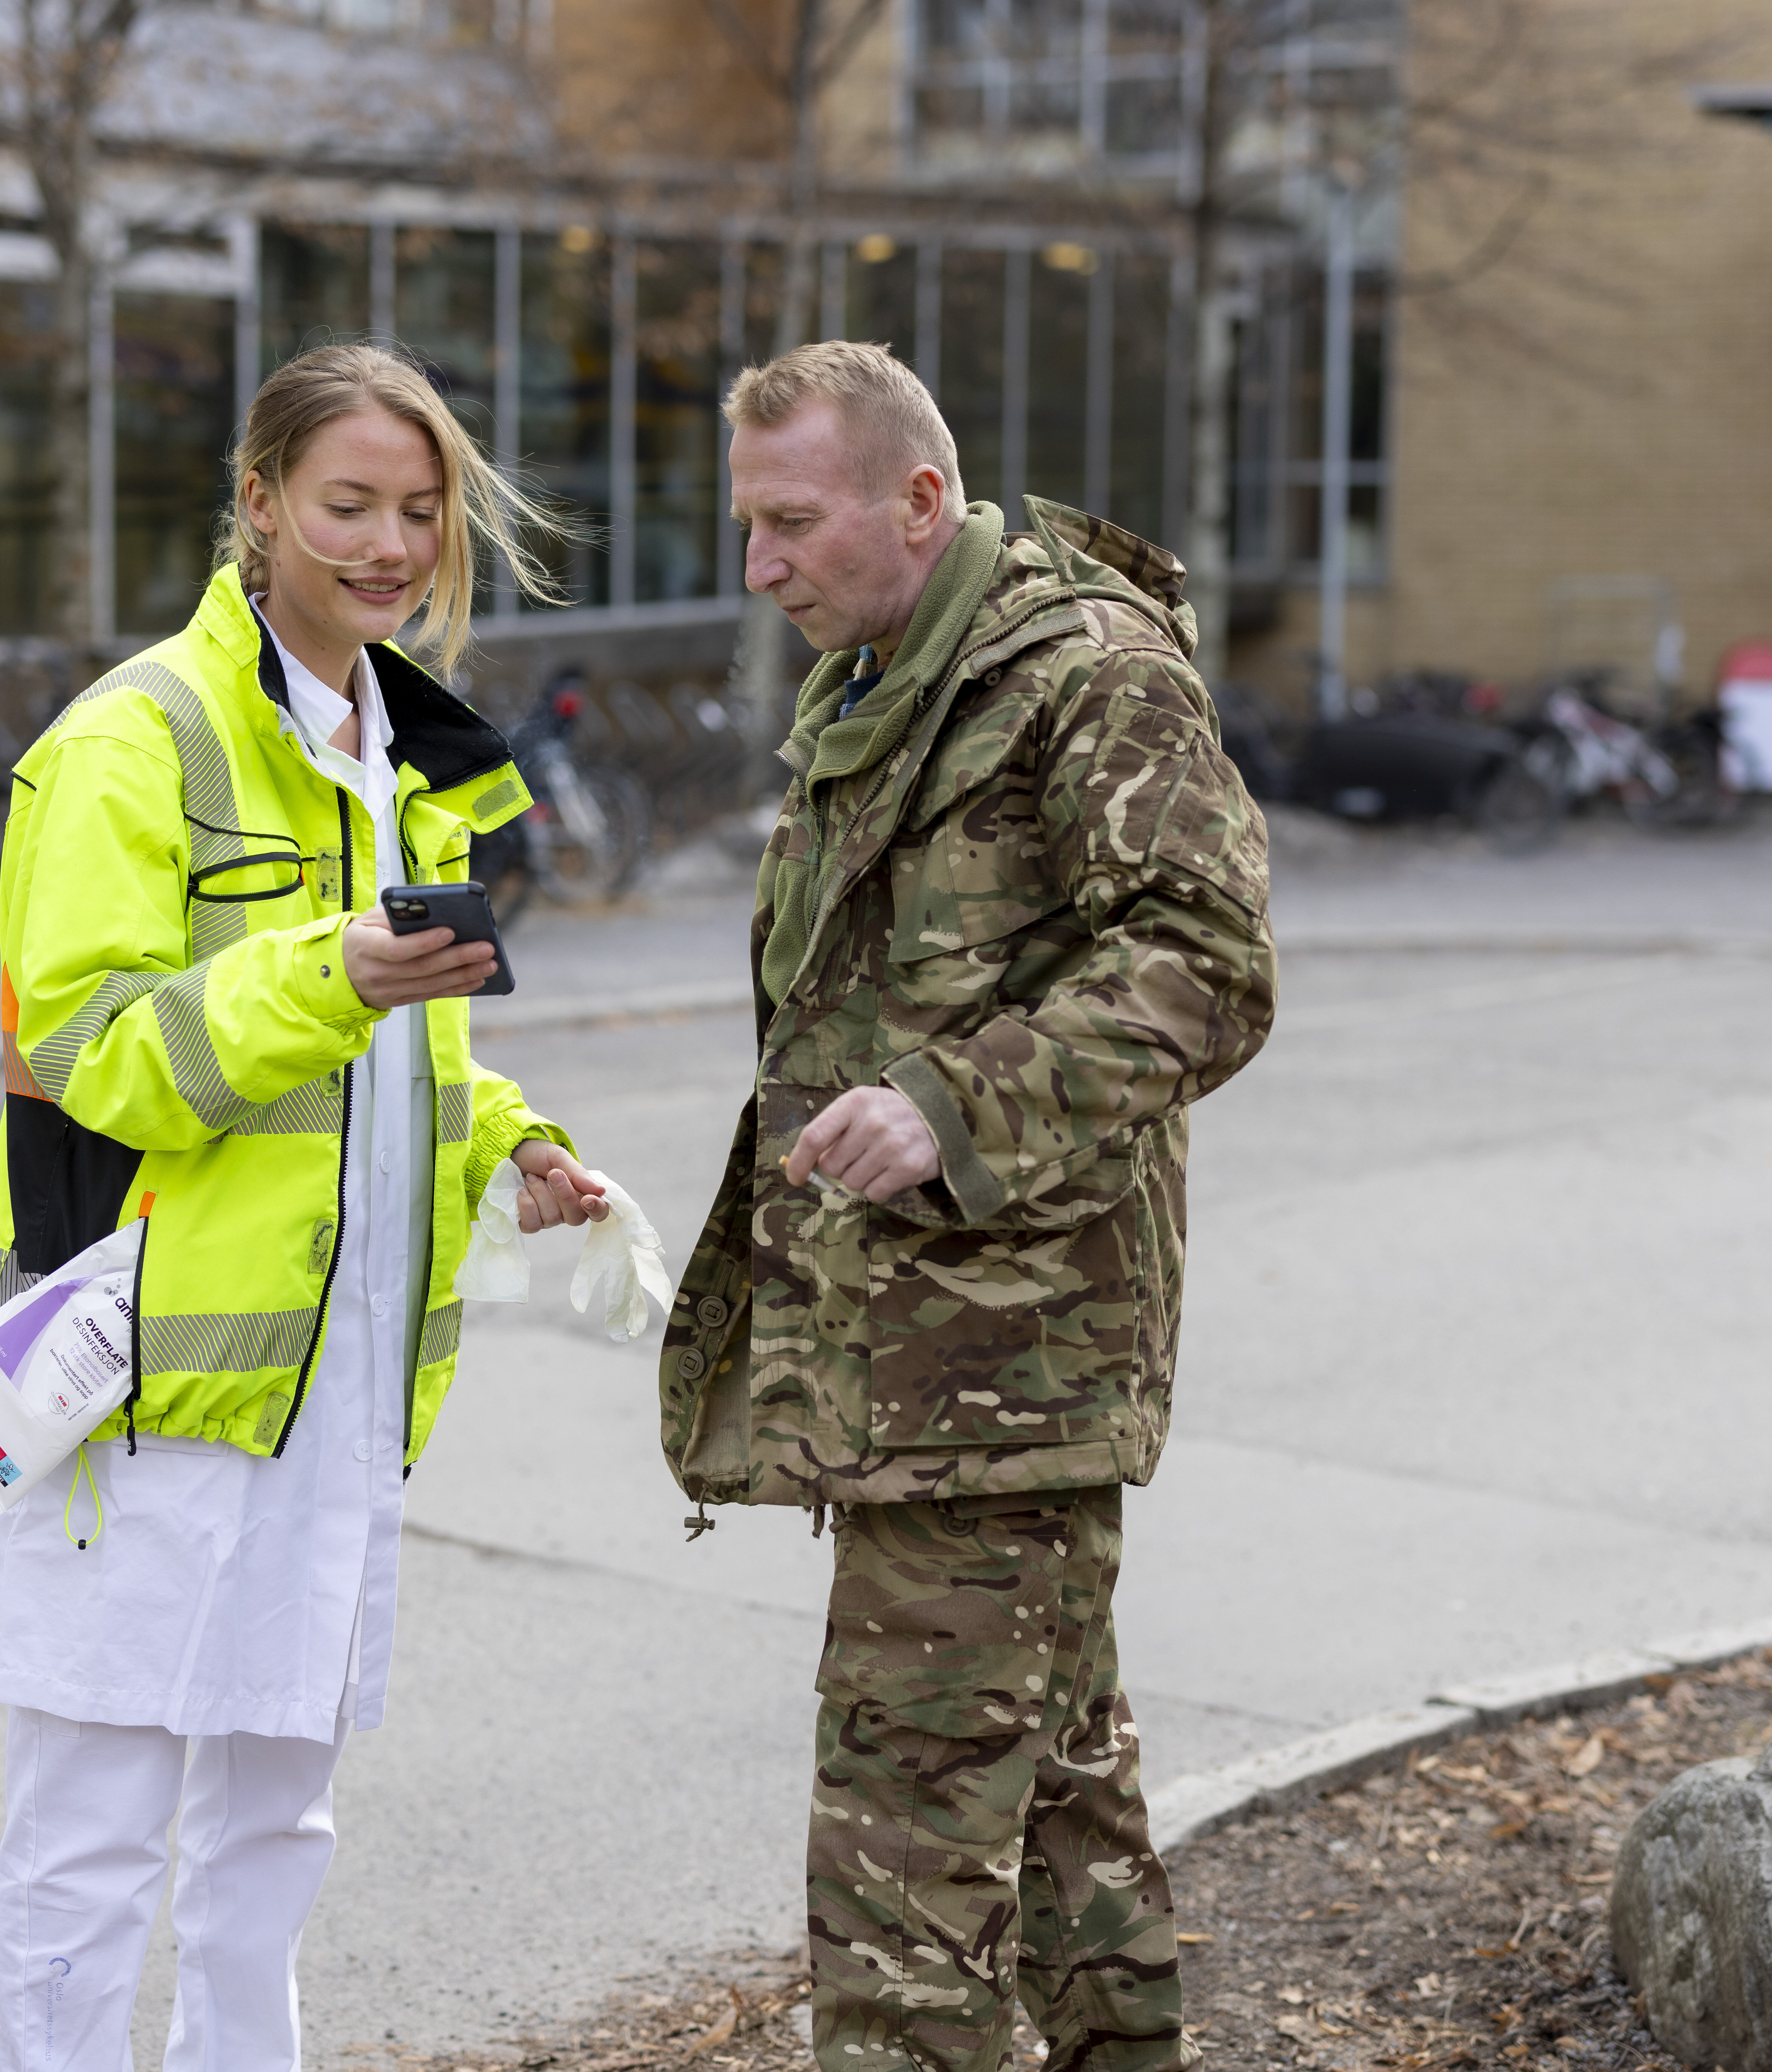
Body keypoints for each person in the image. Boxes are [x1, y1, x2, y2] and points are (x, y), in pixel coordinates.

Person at [0, 341, 608, 2071]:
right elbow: (95, 1055)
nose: (390, 544)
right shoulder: (126, 741)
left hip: (335, 1396)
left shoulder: (408, 755)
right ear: (256, 506)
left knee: (277, 1829)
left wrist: (514, 1149)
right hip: (144, 1382)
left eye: (421, 510)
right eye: (348, 505)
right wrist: (331, 969)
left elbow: (406, 1076)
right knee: (95, 1832)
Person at [660, 341, 1278, 2072]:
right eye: (749, 526)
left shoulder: (1085, 675)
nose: (761, 566)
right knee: (1062, 1802)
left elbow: (1207, 967)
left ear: (918, 502)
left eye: (791, 523)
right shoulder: (884, 680)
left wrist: (947, 1109)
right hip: (927, 1362)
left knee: (902, 1864)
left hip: (1001, 1370)